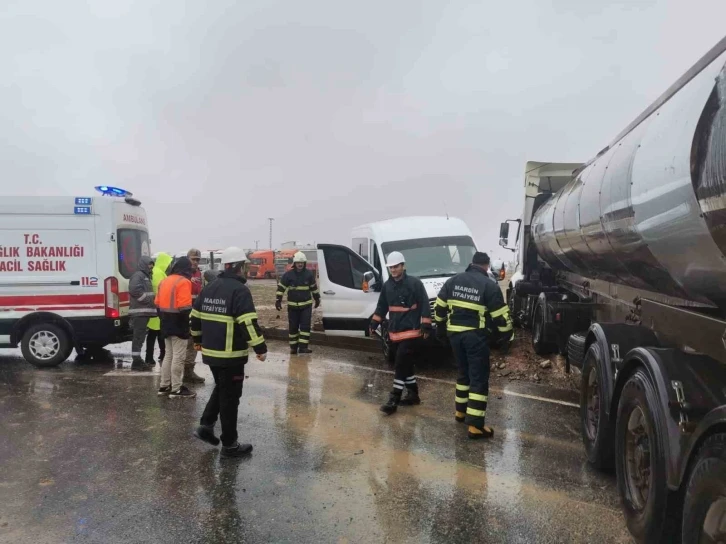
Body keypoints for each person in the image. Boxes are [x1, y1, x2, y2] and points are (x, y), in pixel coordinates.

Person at [190, 246, 267, 458]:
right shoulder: (239, 291)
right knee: (230, 398)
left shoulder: (210, 287)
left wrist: (197, 340)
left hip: (211, 354)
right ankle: (230, 445)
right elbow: (248, 323)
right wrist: (260, 348)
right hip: (231, 355)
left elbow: (194, 317)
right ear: (240, 267)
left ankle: (205, 426)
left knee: (222, 388)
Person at [434, 252, 514, 439]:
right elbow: (501, 317)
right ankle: (475, 426)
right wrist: (507, 337)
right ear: (486, 266)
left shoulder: (453, 281)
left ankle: (461, 413)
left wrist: (440, 328)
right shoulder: (489, 285)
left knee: (463, 374)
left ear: (471, 264)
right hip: (475, 337)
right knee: (478, 378)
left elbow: (439, 307)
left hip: (455, 336)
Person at [369, 251, 432, 415]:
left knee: (400, 364)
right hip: (395, 333)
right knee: (405, 365)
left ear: (403, 266)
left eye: (396, 267)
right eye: (391, 267)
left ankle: (394, 399)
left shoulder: (415, 284)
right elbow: (382, 306)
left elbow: (425, 304)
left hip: (412, 333)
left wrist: (426, 326)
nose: (393, 270)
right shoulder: (387, 286)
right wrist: (373, 323)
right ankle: (413, 394)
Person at [156, 257, 196, 398]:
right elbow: (185, 308)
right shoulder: (184, 282)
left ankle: (164, 386)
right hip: (179, 322)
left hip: (165, 321)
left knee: (168, 355)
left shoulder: (164, 281)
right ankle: (177, 389)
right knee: (178, 357)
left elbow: (157, 304)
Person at [275, 251, 320, 355]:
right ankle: (293, 348)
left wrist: (317, 299)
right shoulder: (288, 275)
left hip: (306, 306)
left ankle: (303, 347)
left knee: (305, 327)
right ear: (294, 263)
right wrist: (278, 300)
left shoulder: (309, 274)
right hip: (293, 307)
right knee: (293, 327)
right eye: (298, 262)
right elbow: (281, 288)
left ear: (304, 263)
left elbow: (314, 288)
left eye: (302, 262)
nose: (300, 264)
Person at [128, 255, 157, 371]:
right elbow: (134, 290)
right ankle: (136, 361)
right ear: (144, 264)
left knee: (140, 336)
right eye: (149, 264)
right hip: (139, 312)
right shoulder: (139, 275)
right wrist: (148, 300)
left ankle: (137, 359)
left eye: (152, 264)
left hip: (143, 312)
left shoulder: (145, 276)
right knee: (138, 336)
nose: (151, 266)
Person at [146, 252, 173, 366]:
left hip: (156, 307)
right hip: (157, 308)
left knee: (158, 334)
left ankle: (160, 355)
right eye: (168, 263)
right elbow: (161, 290)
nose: (170, 266)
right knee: (156, 334)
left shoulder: (158, 272)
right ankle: (152, 357)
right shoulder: (158, 273)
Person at [184, 248, 206, 384]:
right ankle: (177, 373)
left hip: (196, 312)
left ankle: (188, 371)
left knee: (194, 342)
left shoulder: (200, 274)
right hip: (184, 312)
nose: (196, 262)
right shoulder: (182, 273)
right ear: (188, 259)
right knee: (182, 343)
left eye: (198, 260)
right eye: (193, 259)